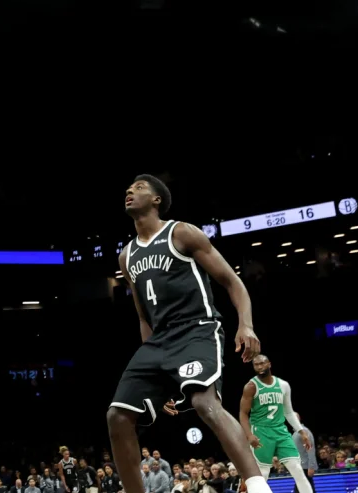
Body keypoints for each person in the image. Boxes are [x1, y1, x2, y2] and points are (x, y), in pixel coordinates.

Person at [107, 176, 273, 493]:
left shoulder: (181, 232)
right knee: (117, 416)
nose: (130, 190)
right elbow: (144, 316)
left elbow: (231, 282)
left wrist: (246, 323)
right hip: (158, 343)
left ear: (157, 200)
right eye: (128, 188)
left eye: (139, 187)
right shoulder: (126, 256)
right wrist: (158, 374)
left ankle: (257, 486)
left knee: (204, 403)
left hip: (196, 328)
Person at [239, 355, 313, 493]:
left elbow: (289, 412)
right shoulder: (250, 386)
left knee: (298, 470)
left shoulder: (283, 385)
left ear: (269, 364)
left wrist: (301, 432)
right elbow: (243, 413)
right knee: (263, 474)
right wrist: (249, 435)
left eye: (262, 363)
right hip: (261, 432)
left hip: (281, 431)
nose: (260, 367)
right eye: (256, 365)